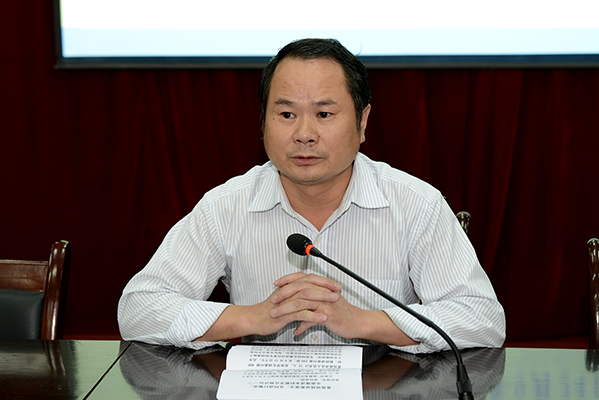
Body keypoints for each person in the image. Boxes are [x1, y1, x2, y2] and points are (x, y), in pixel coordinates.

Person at [118, 38, 506, 353]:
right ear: (263, 122)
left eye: (324, 114)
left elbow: (482, 319)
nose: (304, 134)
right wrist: (253, 318)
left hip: (382, 387)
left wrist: (363, 322)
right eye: (287, 115)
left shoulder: (416, 204)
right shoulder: (225, 206)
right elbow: (139, 308)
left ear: (363, 122)